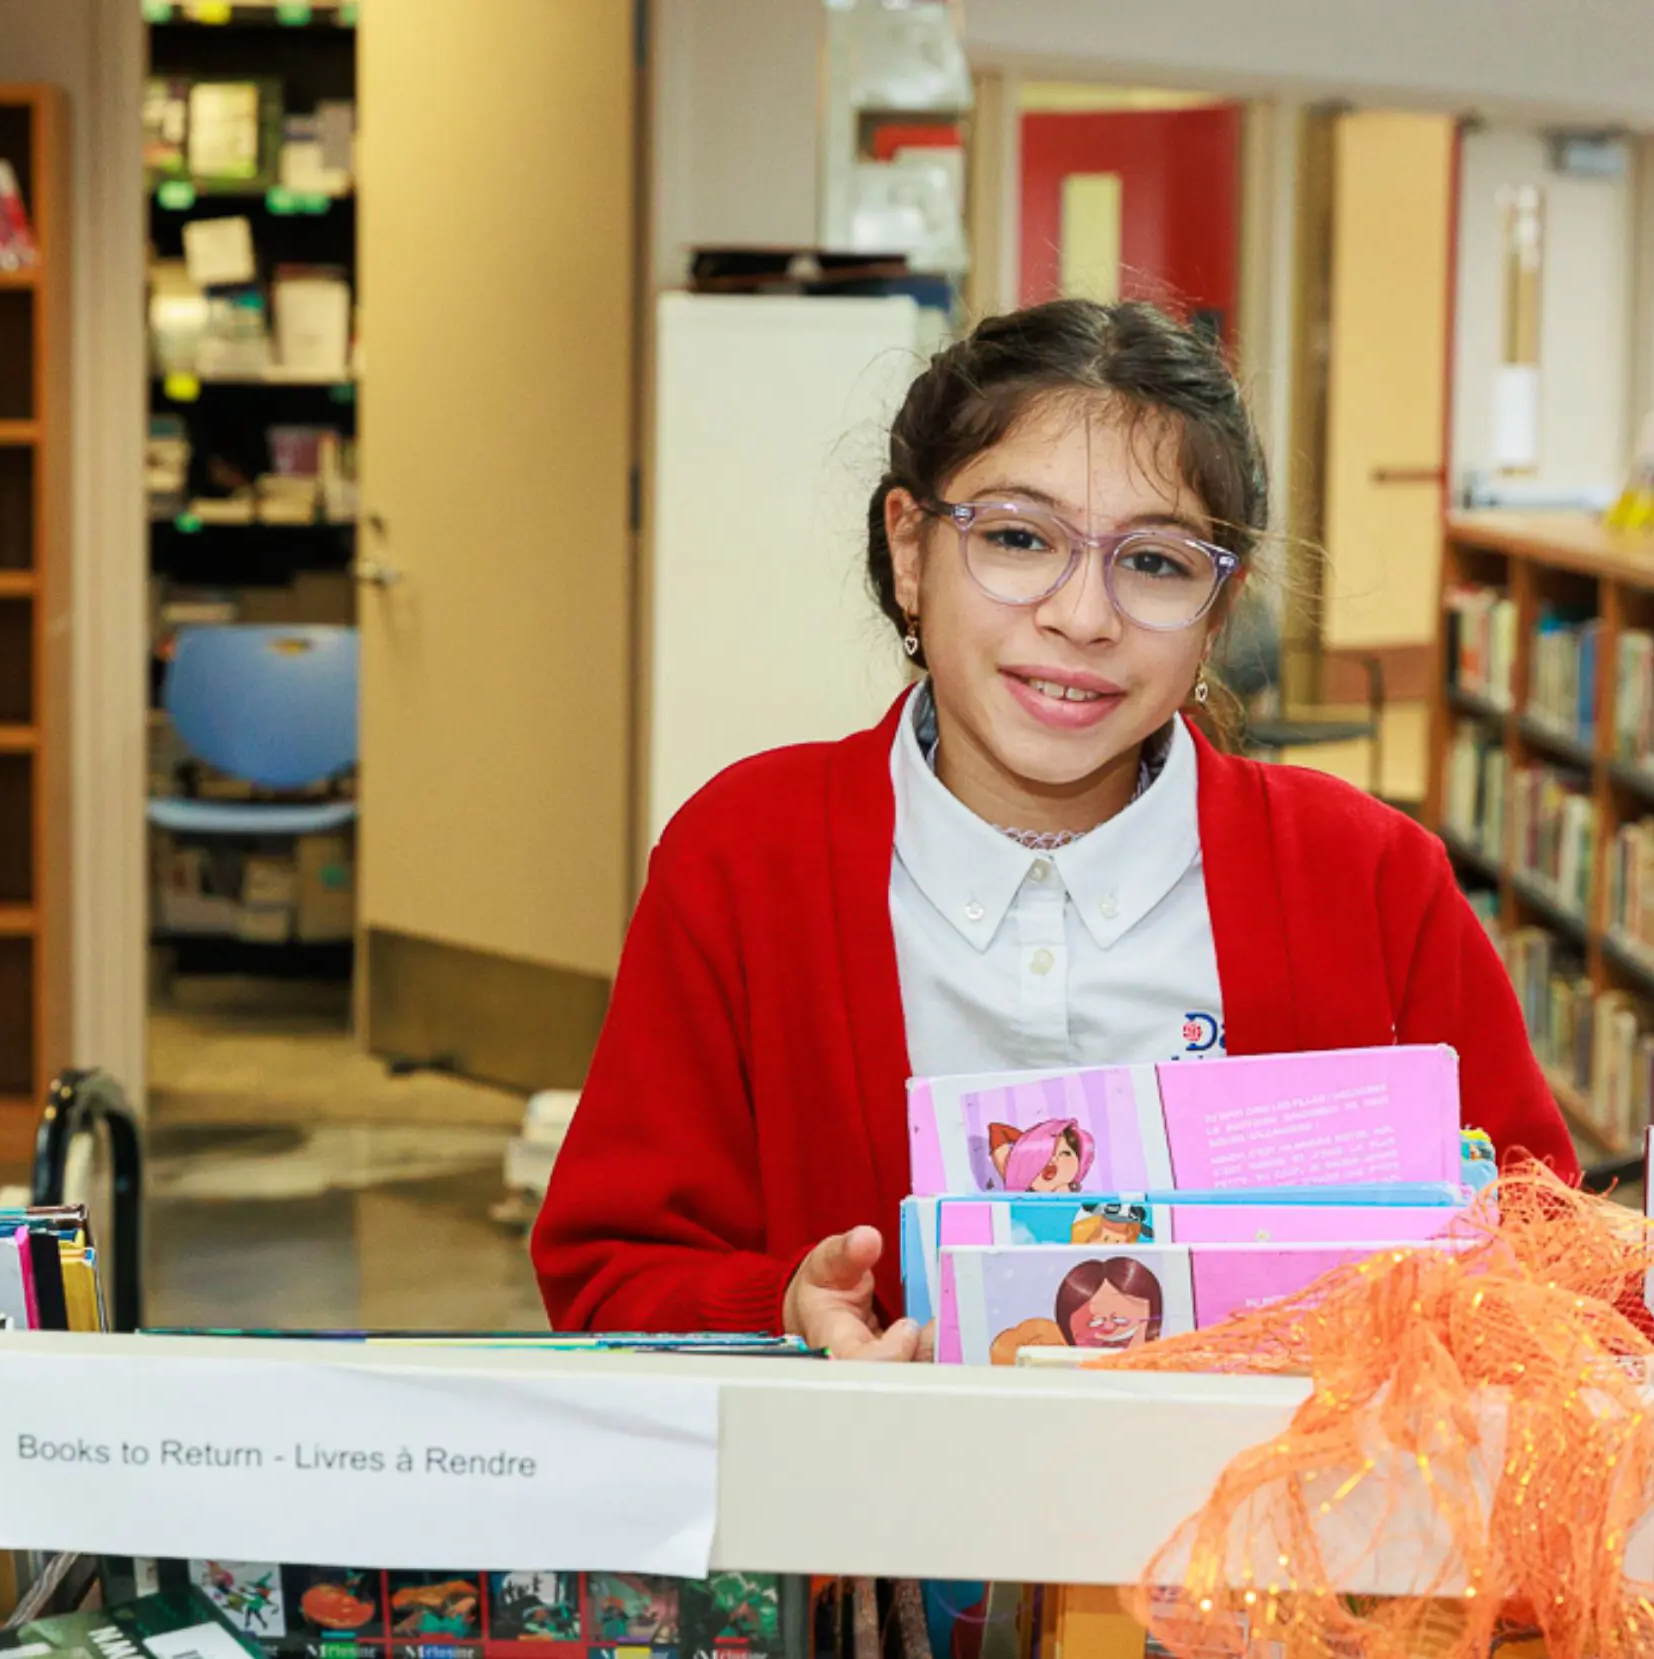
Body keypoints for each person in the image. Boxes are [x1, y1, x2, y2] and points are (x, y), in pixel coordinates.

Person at [530, 298, 1577, 1358]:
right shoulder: (745, 858)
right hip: (872, 1510)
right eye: (1019, 540)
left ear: (1220, 610)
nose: (1082, 617)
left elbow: (1552, 1253)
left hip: (1265, 1510)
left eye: (1156, 563)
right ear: (908, 551)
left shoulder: (1368, 878)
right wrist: (784, 1314)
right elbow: (611, 1269)